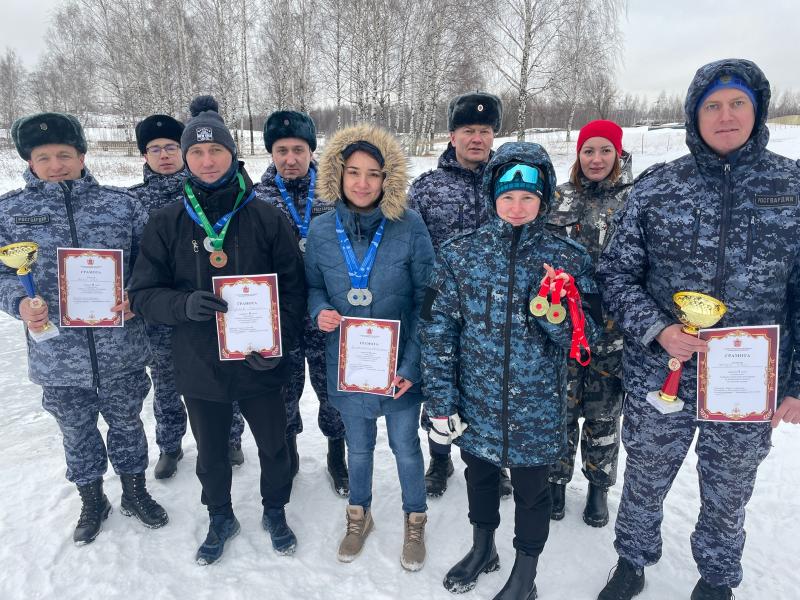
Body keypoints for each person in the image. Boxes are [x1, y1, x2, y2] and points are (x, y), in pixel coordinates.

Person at [595, 58, 800, 600]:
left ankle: (716, 576)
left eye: (737, 103)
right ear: (694, 114)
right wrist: (658, 329)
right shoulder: (658, 189)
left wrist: (796, 381)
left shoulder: (793, 186)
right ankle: (632, 561)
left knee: (730, 489)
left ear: (757, 110)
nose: (725, 115)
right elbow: (615, 273)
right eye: (712, 105)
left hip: (746, 382)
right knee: (644, 478)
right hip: (661, 372)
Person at [128, 96, 306, 565]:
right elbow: (143, 294)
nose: (207, 162)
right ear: (186, 159)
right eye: (197, 154)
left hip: (258, 359)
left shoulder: (268, 217)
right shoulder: (166, 222)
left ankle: (275, 509)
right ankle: (220, 515)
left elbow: (293, 290)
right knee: (210, 453)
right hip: (199, 361)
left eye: (217, 152)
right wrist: (182, 304)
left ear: (233, 155)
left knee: (273, 444)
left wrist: (277, 343)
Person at [421, 141, 600, 599]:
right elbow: (438, 330)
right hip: (475, 401)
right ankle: (483, 548)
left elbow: (588, 341)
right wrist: (441, 401)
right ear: (491, 197)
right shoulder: (461, 254)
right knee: (479, 478)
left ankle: (526, 573)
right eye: (506, 197)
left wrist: (556, 318)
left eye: (527, 197)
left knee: (531, 492)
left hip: (535, 408)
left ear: (543, 199)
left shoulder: (569, 259)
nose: (516, 207)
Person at [0, 112, 168, 545]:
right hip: (57, 355)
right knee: (75, 432)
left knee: (128, 424)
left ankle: (134, 490)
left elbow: (152, 265)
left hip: (121, 349)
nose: (56, 165)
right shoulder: (11, 212)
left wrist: (137, 296)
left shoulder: (121, 204)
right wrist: (18, 303)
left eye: (64, 154)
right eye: (44, 157)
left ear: (81, 155)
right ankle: (92, 498)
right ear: (30, 162)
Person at [304, 124, 434, 570]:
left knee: (405, 446)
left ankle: (415, 519)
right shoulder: (321, 231)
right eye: (353, 172)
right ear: (337, 175)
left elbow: (427, 299)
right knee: (357, 448)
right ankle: (359, 515)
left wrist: (413, 365)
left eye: (374, 174)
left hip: (399, 366)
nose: (362, 183)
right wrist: (319, 310)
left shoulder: (409, 225)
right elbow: (313, 287)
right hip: (349, 365)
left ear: (387, 179)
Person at [408, 91, 512, 499]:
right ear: (452, 135)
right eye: (468, 130)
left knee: (493, 384)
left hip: (494, 307)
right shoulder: (428, 189)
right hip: (441, 304)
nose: (476, 138)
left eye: (484, 131)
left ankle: (491, 459)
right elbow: (414, 249)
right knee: (440, 379)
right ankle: (439, 456)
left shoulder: (507, 184)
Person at [130, 113, 245, 479]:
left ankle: (231, 438)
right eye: (154, 149)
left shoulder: (205, 191)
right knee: (166, 380)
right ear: (144, 156)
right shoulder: (132, 201)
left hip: (214, 307)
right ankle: (170, 444)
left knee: (226, 368)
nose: (164, 155)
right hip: (163, 310)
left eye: (170, 147)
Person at [255, 110, 348, 495]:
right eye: (281, 150)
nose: (290, 158)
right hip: (281, 316)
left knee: (333, 391)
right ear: (271, 153)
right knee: (284, 391)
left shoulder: (335, 194)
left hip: (328, 313)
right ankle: (289, 451)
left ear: (312, 151)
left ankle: (335, 453)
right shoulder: (256, 198)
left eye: (298, 149)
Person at [546, 119, 632, 526]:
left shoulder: (633, 200)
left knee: (603, 414)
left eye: (604, 151)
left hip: (613, 333)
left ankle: (598, 489)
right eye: (588, 151)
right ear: (578, 155)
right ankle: (556, 484)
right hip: (562, 328)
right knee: (559, 410)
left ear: (618, 154)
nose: (596, 159)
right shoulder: (558, 198)